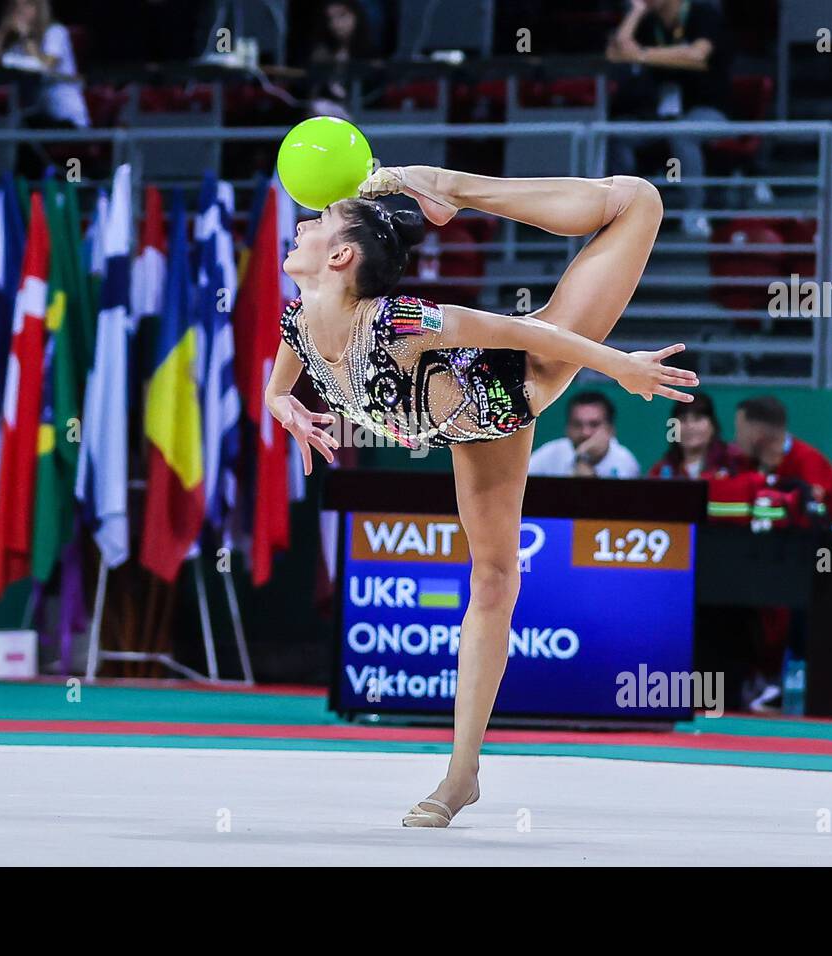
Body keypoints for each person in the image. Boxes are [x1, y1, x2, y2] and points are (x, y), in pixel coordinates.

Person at [268, 164, 696, 826]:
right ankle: (462, 776)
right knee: (493, 583)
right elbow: (278, 383)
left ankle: (450, 186)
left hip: (522, 379)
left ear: (343, 255)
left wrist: (620, 370)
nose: (301, 222)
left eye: (318, 221)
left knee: (639, 198)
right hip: (464, 428)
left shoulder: (399, 322)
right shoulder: (299, 323)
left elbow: (526, 334)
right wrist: (284, 407)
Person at [605, 0, 732, 239]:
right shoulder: (650, 22)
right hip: (661, 116)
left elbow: (697, 54)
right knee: (618, 133)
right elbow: (617, 53)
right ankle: (624, 215)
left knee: (682, 133)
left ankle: (695, 213)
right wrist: (636, 12)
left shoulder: (703, 13)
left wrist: (643, 54)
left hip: (710, 113)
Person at [0, 0, 90, 130]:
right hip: (29, 117)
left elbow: (45, 67)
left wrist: (26, 37)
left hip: (64, 118)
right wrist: (2, 34)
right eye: (16, 6)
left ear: (40, 9)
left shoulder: (55, 32)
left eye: (27, 5)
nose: (20, 11)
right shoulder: (13, 39)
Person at [733, 395, 832, 522]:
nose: (736, 438)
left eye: (740, 430)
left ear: (758, 434)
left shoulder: (810, 462)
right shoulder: (741, 462)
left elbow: (826, 521)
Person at [528, 391, 641, 478]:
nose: (585, 432)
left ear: (610, 430)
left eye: (594, 424)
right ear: (567, 428)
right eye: (577, 424)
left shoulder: (625, 462)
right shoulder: (550, 453)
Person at [647, 390, 745, 478]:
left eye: (697, 419)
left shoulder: (735, 463)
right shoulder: (659, 471)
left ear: (713, 425)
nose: (690, 426)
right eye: (683, 419)